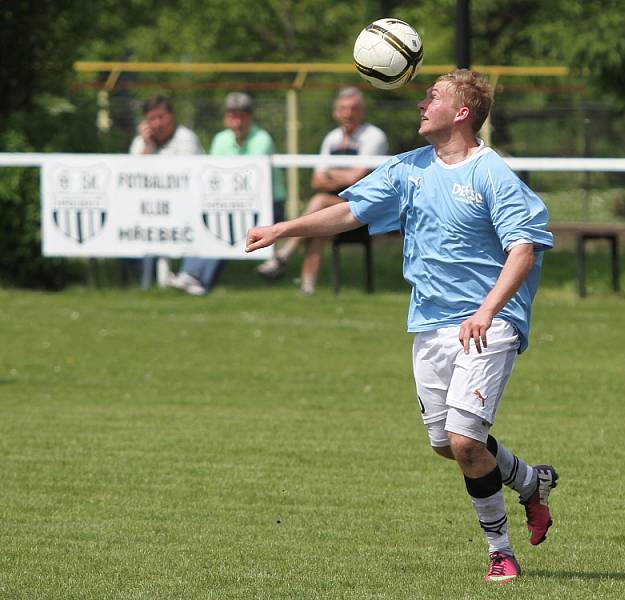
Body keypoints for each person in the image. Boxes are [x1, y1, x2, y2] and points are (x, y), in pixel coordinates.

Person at [245, 70, 557, 584]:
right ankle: (529, 481)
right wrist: (286, 228)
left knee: (463, 440)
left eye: (432, 96)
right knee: (448, 443)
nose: (420, 102)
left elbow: (523, 248)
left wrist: (487, 310)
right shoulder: (408, 168)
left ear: (461, 112)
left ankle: (500, 551)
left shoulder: (491, 173)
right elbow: (349, 213)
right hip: (430, 326)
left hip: (488, 322)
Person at [256, 86, 388, 295]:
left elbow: (355, 178)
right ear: (336, 112)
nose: (348, 114)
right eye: (343, 108)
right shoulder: (332, 138)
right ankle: (307, 287)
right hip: (338, 207)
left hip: (368, 210)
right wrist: (341, 176)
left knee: (319, 203)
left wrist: (332, 175)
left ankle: (285, 254)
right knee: (319, 222)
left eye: (353, 108)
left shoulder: (374, 136)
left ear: (362, 112)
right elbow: (317, 180)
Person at [167, 92, 287, 296]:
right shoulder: (221, 139)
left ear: (250, 117)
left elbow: (250, 179)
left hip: (268, 205)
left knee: (221, 226)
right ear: (226, 117)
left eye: (242, 115)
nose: (237, 121)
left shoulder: (262, 139)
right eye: (233, 115)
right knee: (210, 221)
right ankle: (194, 276)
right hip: (232, 203)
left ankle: (197, 277)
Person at [127, 95, 204, 289]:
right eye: (152, 118)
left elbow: (186, 178)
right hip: (147, 209)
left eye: (161, 117)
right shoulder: (140, 142)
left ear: (172, 117)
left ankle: (188, 275)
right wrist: (148, 147)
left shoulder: (185, 138)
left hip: (187, 207)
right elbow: (132, 177)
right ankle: (145, 280)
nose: (157, 123)